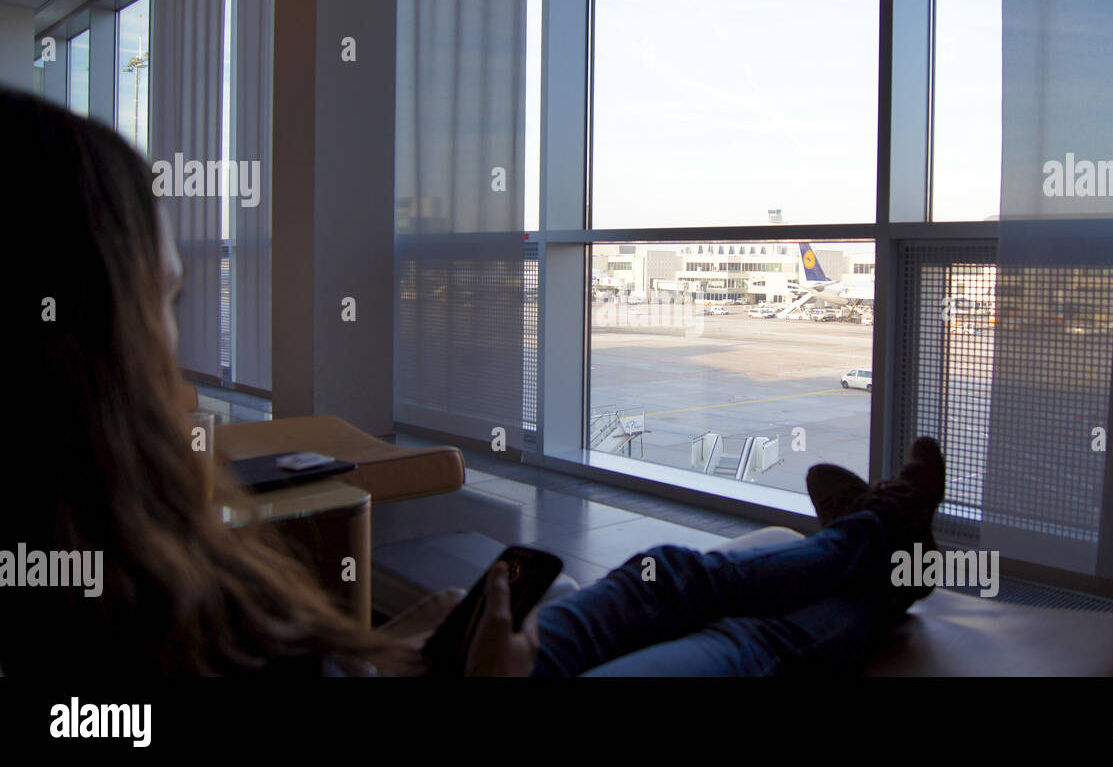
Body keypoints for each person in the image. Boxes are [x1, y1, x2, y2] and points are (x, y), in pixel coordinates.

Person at [3, 89, 945, 677]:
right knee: (750, 645)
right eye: (162, 299)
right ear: (88, 345)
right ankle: (888, 554)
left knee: (668, 575)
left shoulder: (118, 555)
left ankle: (876, 534)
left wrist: (393, 645)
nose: (179, 348)